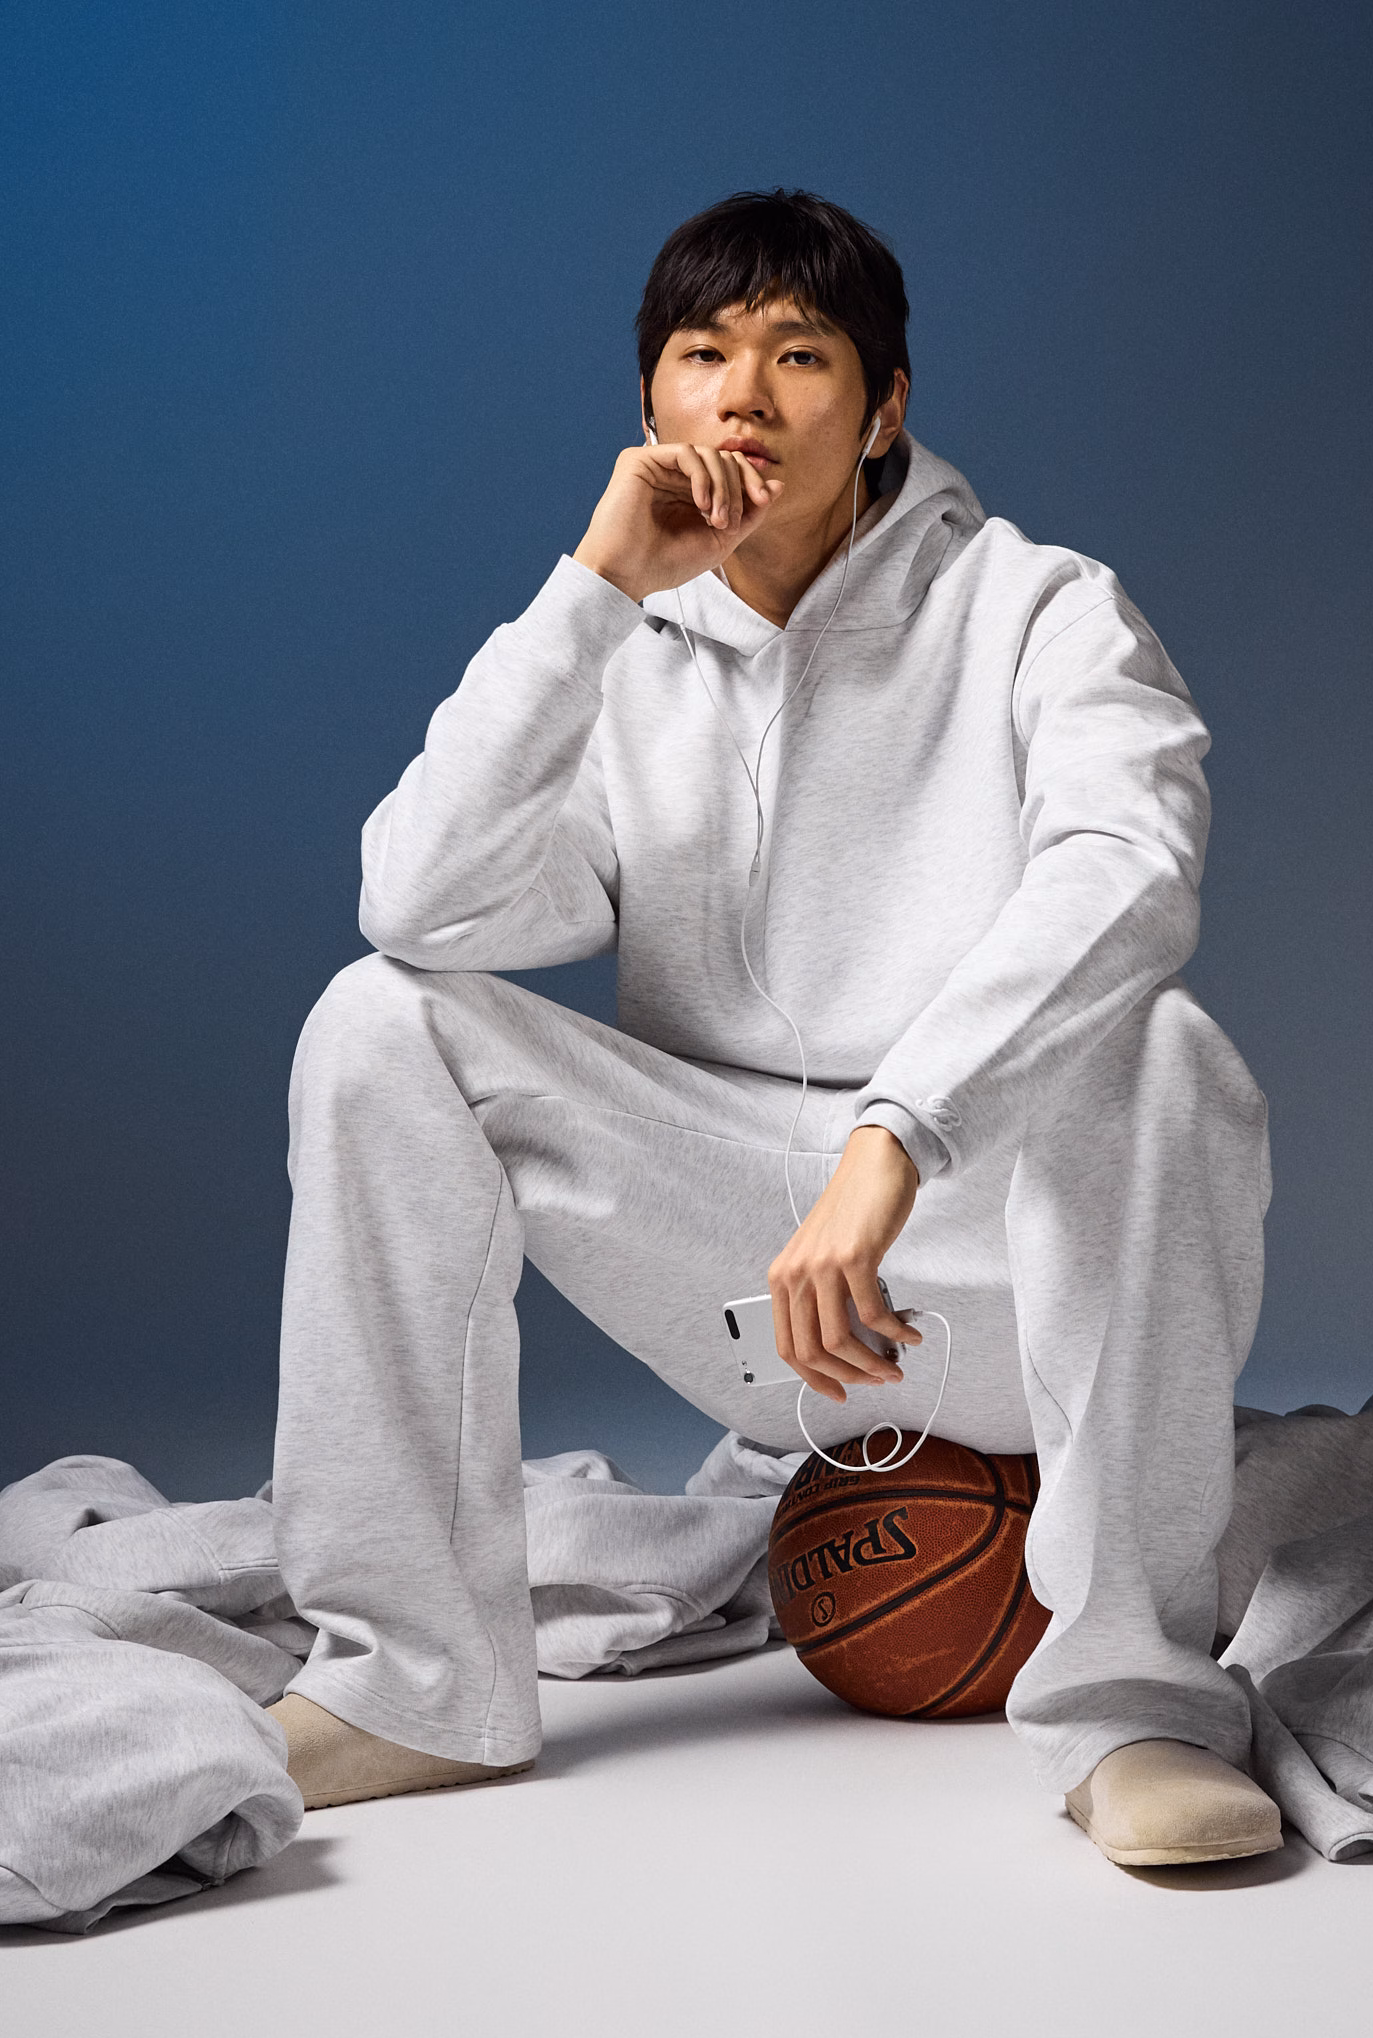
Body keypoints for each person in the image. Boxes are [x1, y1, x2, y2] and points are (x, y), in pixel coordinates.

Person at [268, 188, 1282, 1868]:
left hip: (1001, 1261)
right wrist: (596, 589)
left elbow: (1131, 872)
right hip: (748, 1279)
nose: (744, 394)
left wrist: (900, 1136)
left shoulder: (1041, 607)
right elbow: (420, 904)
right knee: (378, 1022)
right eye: (702, 355)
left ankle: (1137, 1708)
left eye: (800, 356)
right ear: (649, 406)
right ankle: (415, 1686)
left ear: (884, 409)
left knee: (1167, 1052)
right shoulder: (621, 654)